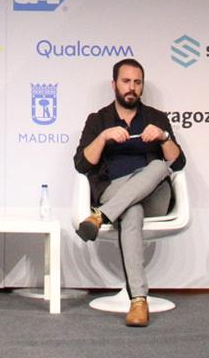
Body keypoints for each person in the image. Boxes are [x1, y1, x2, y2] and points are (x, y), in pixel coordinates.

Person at [72, 57, 186, 328]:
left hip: (155, 198)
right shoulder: (98, 120)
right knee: (131, 209)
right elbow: (81, 164)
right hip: (112, 191)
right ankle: (138, 301)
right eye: (126, 81)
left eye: (137, 82)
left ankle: (100, 217)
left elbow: (178, 163)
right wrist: (102, 138)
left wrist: (164, 138)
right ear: (114, 84)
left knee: (159, 165)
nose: (131, 87)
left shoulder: (156, 119)